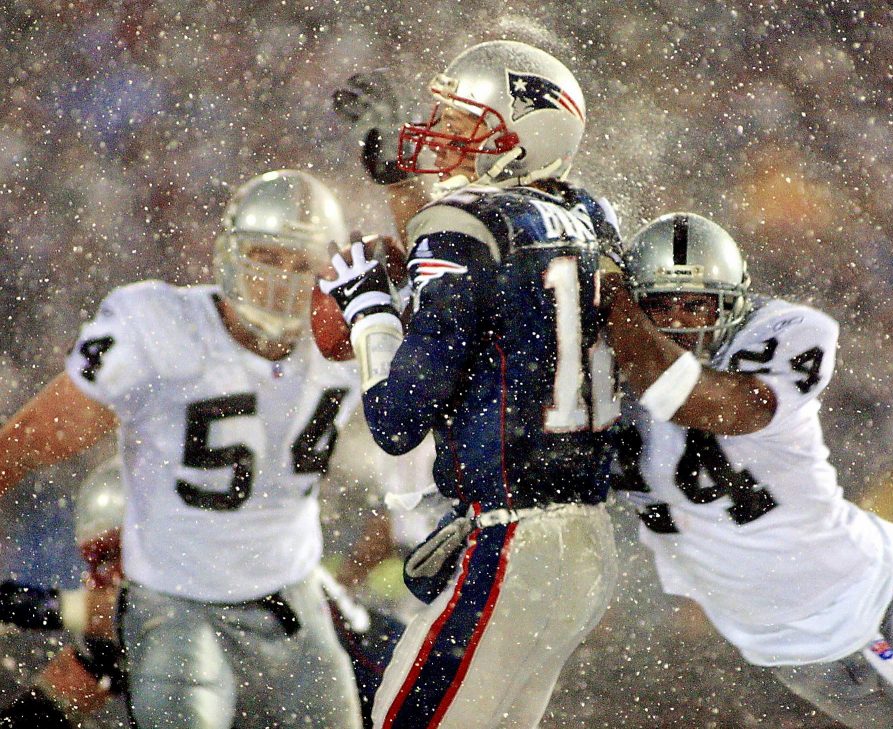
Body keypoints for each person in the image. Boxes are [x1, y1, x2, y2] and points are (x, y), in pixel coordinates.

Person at [603, 211, 893, 728]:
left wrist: (618, 300)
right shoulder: (601, 373)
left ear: (733, 303)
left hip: (871, 594)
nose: (682, 321)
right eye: (661, 304)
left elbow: (711, 404)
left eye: (697, 304)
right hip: (774, 643)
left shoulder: (784, 331)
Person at [320, 40, 621, 729]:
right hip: (583, 543)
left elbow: (396, 418)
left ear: (522, 136)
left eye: (462, 125)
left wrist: (367, 311)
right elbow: (500, 289)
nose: (440, 136)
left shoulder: (465, 224)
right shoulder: (592, 218)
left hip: (515, 543)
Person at [0, 170, 364, 729]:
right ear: (229, 254)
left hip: (296, 604)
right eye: (267, 258)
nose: (282, 283)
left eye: (302, 265)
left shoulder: (358, 331)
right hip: (179, 607)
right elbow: (31, 440)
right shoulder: (160, 328)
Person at [0, 457, 404, 729]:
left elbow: (94, 612)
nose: (100, 578)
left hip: (404, 695)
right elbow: (52, 703)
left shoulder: (226, 572)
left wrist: (20, 602)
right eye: (95, 561)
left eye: (112, 555)